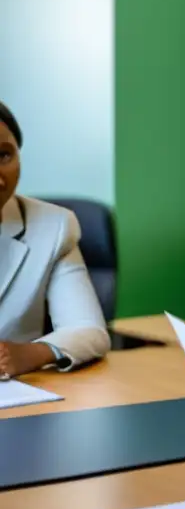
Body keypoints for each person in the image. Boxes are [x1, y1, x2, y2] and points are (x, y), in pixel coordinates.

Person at [0, 101, 111, 378]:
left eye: (3, 155)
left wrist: (26, 355)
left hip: (19, 403)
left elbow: (89, 330)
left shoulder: (54, 226)